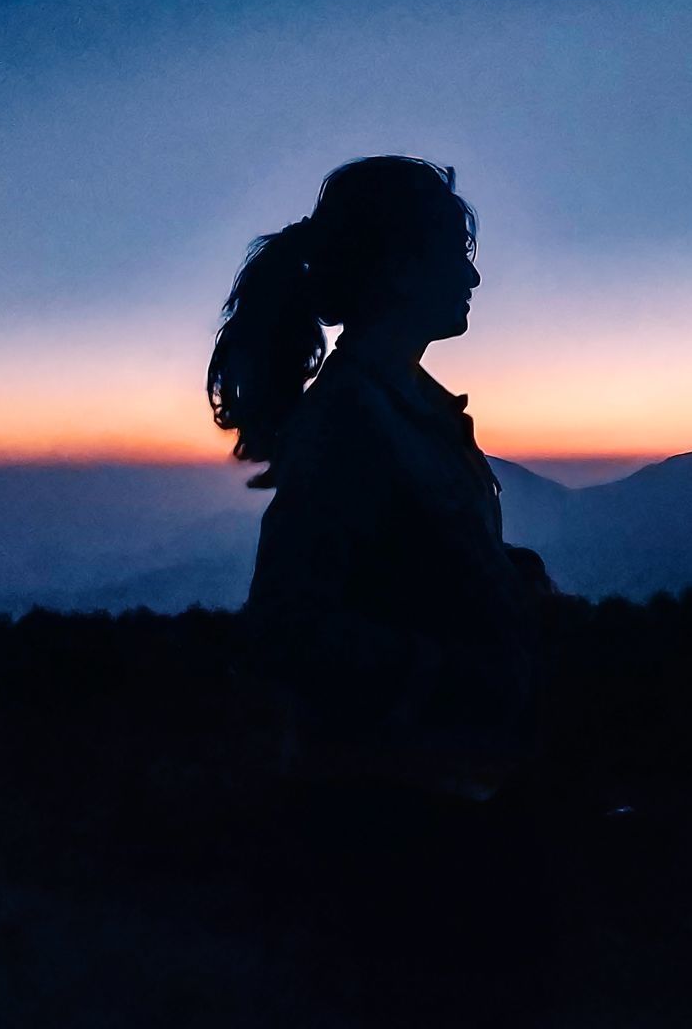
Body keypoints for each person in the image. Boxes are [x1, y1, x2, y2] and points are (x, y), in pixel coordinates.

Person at [208, 155, 553, 797]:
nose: (473, 274)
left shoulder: (403, 402)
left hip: (446, 785)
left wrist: (507, 571)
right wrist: (464, 675)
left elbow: (397, 559)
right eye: (456, 253)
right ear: (399, 269)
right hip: (388, 811)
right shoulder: (349, 417)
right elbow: (288, 626)